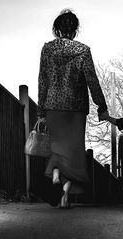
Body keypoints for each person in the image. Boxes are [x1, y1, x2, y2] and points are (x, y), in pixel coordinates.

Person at [37, 9, 109, 208]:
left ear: (57, 29)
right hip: (76, 109)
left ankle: (56, 174)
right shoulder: (83, 50)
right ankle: (66, 193)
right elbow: (92, 80)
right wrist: (101, 105)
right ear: (75, 29)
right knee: (74, 152)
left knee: (57, 148)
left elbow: (43, 80)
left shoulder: (47, 50)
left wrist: (41, 111)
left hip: (53, 106)